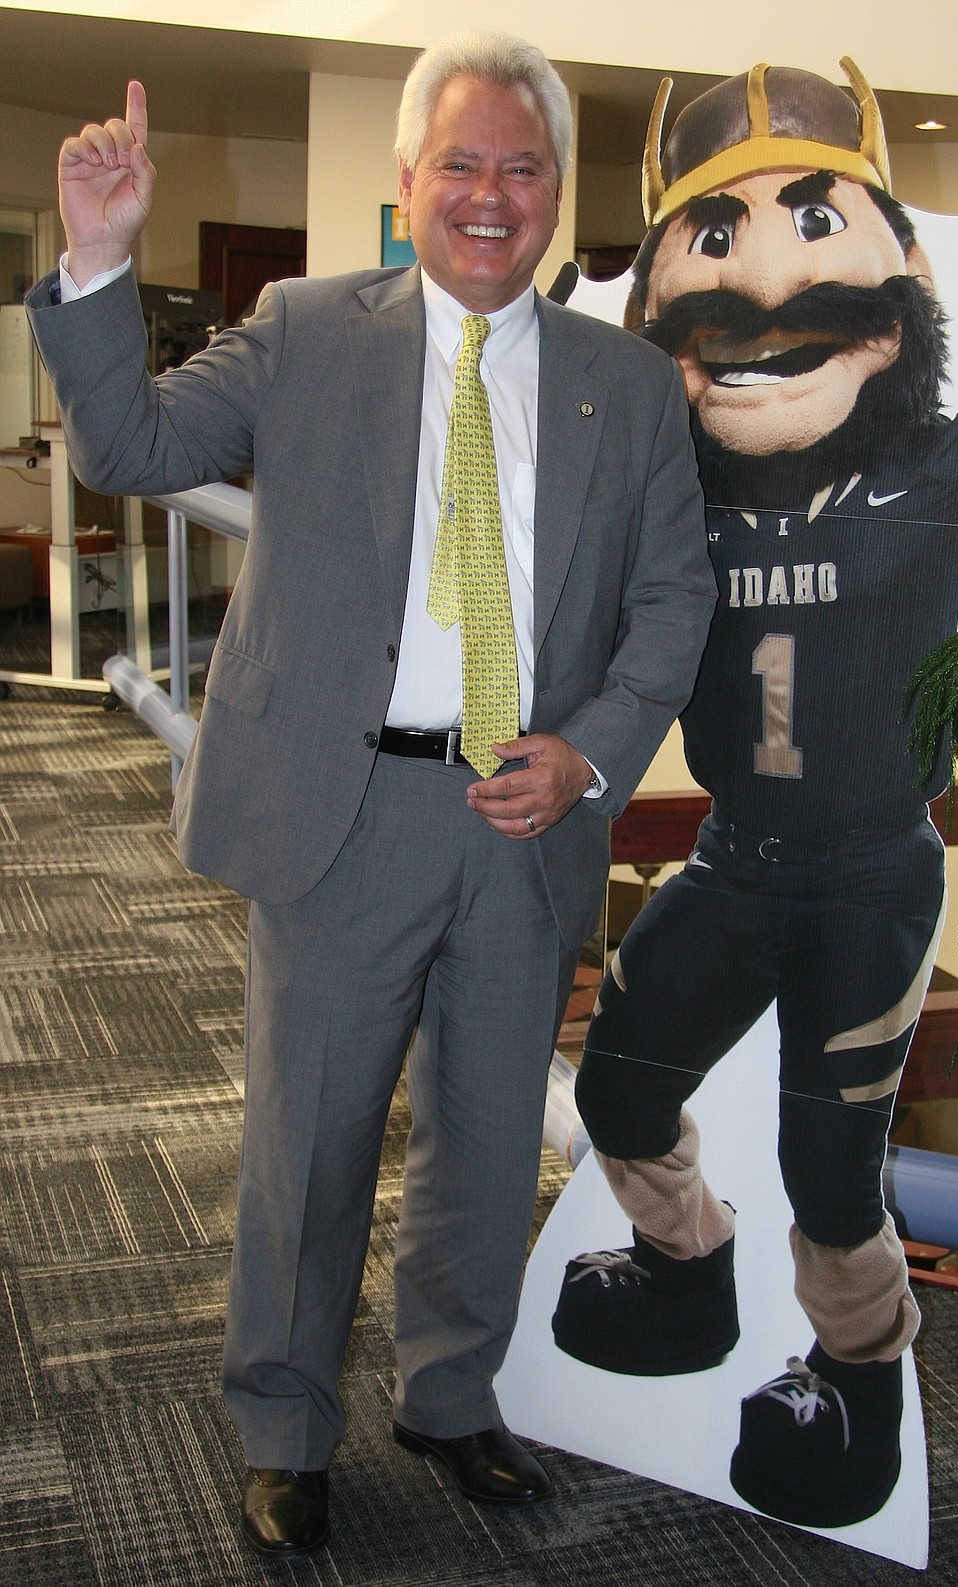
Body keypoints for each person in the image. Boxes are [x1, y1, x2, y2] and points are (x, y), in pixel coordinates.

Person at [27, 32, 712, 1558]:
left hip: (525, 820)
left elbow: (672, 603)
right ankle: (283, 1418)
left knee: (481, 1140)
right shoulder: (304, 328)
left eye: (520, 168)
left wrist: (589, 748)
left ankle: (449, 1396)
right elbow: (127, 448)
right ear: (407, 183)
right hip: (345, 818)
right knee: (312, 1143)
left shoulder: (624, 384)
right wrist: (93, 263)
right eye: (458, 163)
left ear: (554, 193)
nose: (490, 194)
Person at [549, 61, 958, 1529]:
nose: (761, 301)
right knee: (620, 1087)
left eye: (810, 233)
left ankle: (857, 1373)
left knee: (836, 1170)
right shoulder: (664, 487)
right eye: (712, 252)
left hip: (866, 874)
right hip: (730, 857)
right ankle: (685, 1271)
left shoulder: (937, 478)